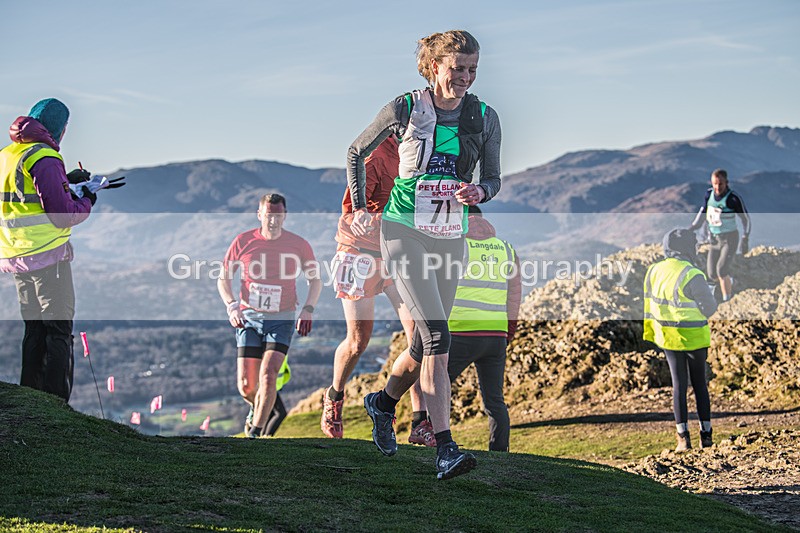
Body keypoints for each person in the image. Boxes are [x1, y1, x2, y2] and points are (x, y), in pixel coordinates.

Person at [348, 30, 502, 480]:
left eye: (473, 69)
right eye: (457, 69)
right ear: (434, 65)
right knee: (438, 338)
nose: (466, 78)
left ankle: (383, 401)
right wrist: (361, 208)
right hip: (403, 232)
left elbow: (493, 179)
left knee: (422, 342)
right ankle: (445, 447)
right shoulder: (405, 107)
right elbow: (357, 151)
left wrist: (480, 191)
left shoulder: (486, 116)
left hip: (450, 234)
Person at [321, 135, 435, 447]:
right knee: (359, 341)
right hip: (359, 253)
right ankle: (334, 396)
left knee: (421, 338)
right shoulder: (374, 157)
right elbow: (352, 212)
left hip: (397, 254)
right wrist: (370, 217)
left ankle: (419, 422)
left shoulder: (425, 158)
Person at [0, 98, 96, 402]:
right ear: (60, 129)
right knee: (58, 331)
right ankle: (56, 404)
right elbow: (61, 214)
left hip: (16, 257)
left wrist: (65, 183)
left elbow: (25, 197)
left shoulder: (8, 155)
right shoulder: (44, 156)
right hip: (48, 255)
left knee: (34, 330)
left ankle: (31, 399)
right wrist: (88, 199)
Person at [218, 193, 322, 438]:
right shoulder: (243, 241)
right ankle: (258, 407)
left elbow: (315, 280)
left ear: (284, 216)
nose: (273, 220)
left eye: (278, 215)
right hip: (248, 318)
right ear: (259, 215)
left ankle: (255, 434)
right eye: (268, 215)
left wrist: (307, 309)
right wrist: (231, 305)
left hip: (282, 318)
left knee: (269, 374)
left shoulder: (298, 244)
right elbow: (223, 278)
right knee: (246, 386)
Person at [447, 206, 520, 452]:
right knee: (495, 401)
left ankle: (437, 443)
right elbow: (514, 295)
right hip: (496, 336)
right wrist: (509, 330)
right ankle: (500, 453)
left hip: (460, 332)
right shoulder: (506, 249)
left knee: (438, 389)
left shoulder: (458, 246)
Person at [643, 228, 718, 451]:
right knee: (699, 385)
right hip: (693, 337)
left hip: (666, 336)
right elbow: (709, 309)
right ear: (687, 248)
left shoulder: (653, 270)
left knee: (678, 385)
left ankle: (682, 439)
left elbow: (651, 302)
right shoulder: (692, 274)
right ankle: (706, 437)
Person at [688, 168, 751, 302]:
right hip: (714, 240)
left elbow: (745, 219)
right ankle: (729, 282)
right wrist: (691, 229)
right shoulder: (709, 195)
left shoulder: (733, 198)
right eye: (714, 184)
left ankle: (727, 300)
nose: (717, 187)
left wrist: (745, 238)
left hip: (730, 239)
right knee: (711, 274)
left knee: (721, 270)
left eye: (720, 184)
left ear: (726, 182)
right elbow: (702, 215)